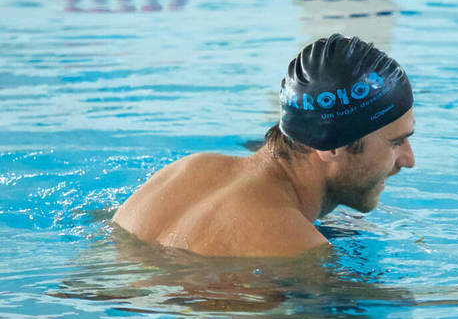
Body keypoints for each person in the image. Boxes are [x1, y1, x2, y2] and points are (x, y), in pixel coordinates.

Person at [112, 34, 415, 257]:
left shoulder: (187, 169)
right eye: (396, 142)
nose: (408, 159)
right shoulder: (297, 249)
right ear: (332, 145)